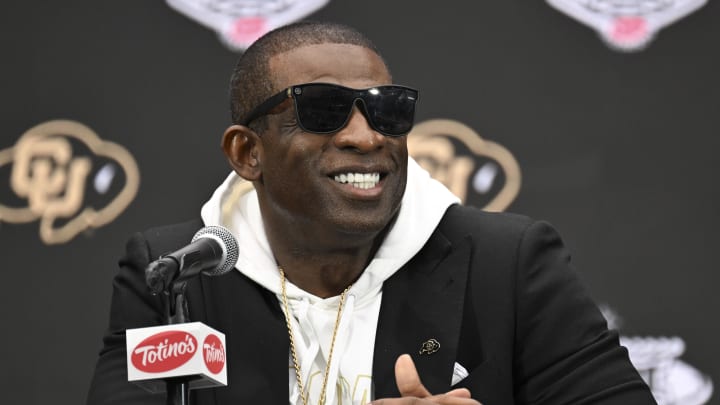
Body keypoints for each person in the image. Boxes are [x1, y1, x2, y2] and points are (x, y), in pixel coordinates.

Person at [87, 21, 657, 405]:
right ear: (248, 152)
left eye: (388, 110)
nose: (366, 137)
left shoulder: (507, 261)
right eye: (324, 110)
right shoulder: (174, 273)